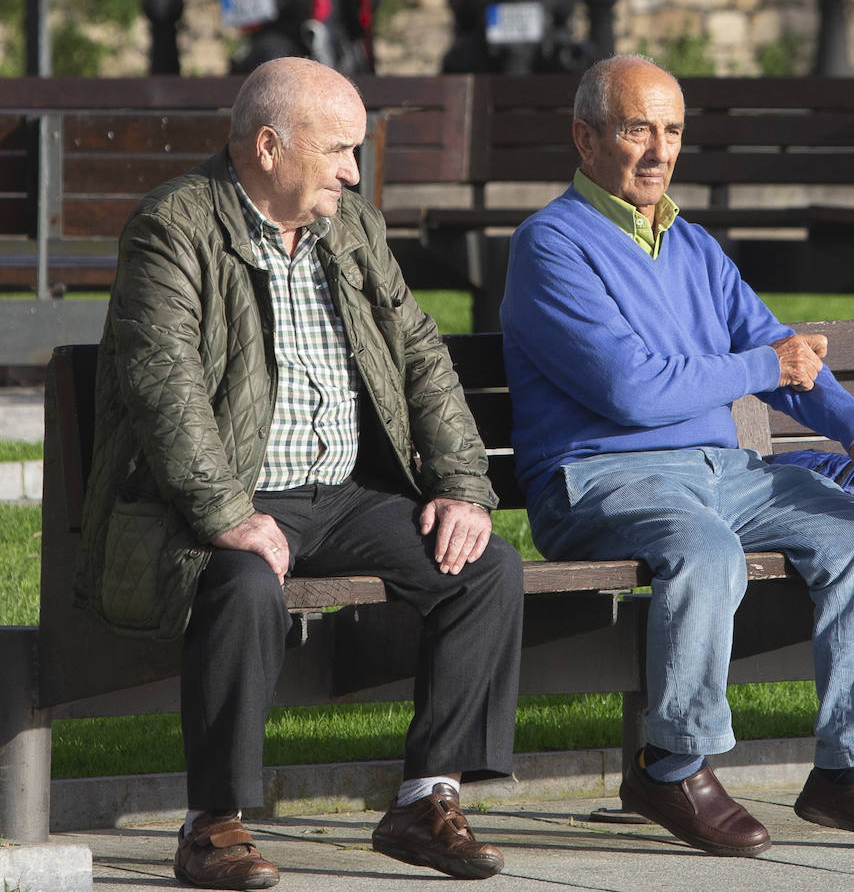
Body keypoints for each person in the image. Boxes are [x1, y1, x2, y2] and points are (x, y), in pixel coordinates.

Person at [74, 58, 522, 888]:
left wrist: (462, 483)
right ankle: (215, 823)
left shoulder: (350, 226)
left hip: (342, 496)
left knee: (484, 568)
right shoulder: (175, 225)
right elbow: (161, 380)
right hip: (216, 498)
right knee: (244, 584)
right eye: (341, 151)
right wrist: (225, 512)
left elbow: (420, 352)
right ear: (271, 147)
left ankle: (428, 799)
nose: (354, 172)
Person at [500, 53, 854, 857]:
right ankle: (672, 765)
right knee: (705, 550)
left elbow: (785, 354)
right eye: (638, 128)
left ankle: (850, 768)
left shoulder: (693, 245)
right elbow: (629, 391)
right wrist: (760, 369)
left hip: (721, 475)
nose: (658, 150)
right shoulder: (550, 245)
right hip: (598, 479)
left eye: (672, 131)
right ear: (585, 138)